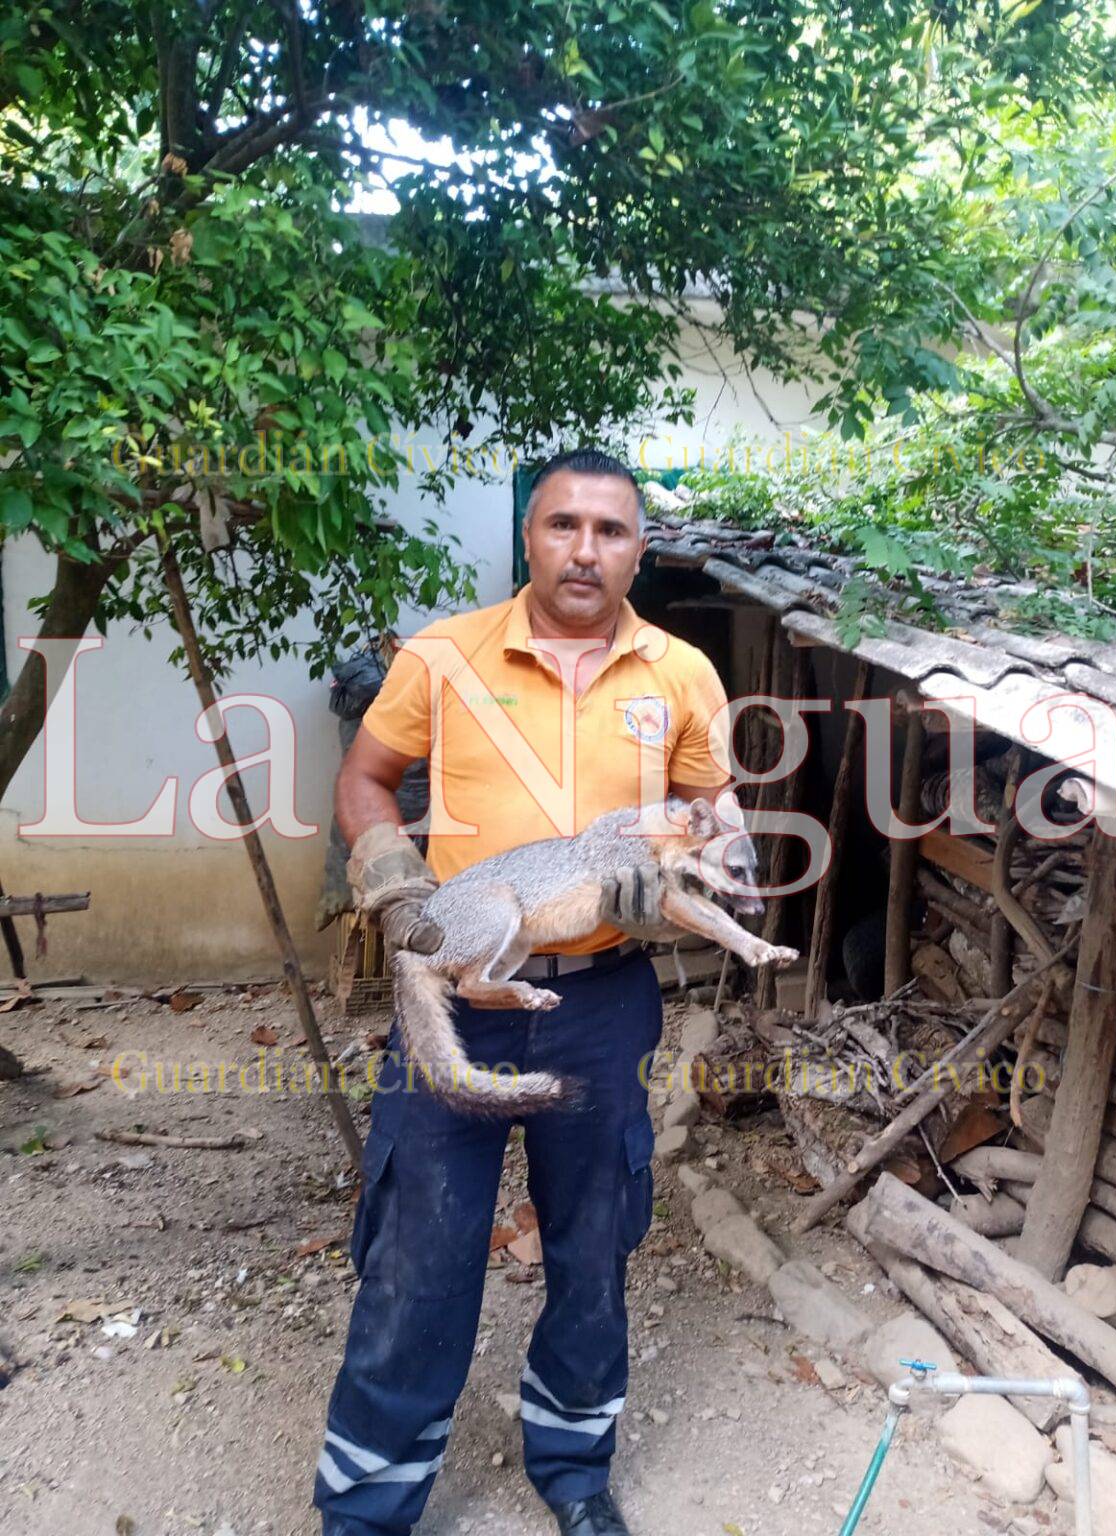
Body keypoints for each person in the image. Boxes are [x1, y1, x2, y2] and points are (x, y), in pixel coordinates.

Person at [316, 448, 733, 1536]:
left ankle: (575, 1471)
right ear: (530, 538)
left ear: (640, 547)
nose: (585, 549)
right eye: (563, 526)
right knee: (424, 1243)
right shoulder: (446, 655)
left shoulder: (683, 674)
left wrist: (675, 880)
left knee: (592, 1242)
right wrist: (395, 885)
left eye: (610, 529)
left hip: (599, 1004)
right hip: (461, 989)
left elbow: (711, 813)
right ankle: (367, 1502)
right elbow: (363, 780)